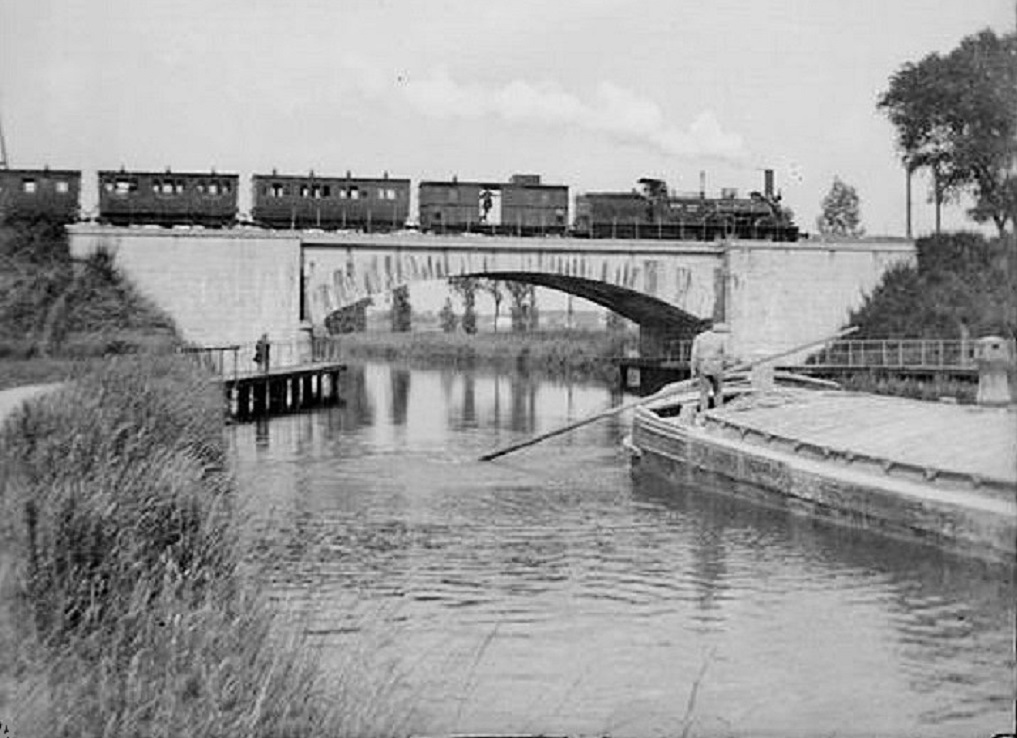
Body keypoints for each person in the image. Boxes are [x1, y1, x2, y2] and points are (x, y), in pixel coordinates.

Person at [690, 322, 731, 412]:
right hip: (717, 367)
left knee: (704, 393)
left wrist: (693, 371)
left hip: (704, 366)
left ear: (703, 328)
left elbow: (694, 355)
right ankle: (719, 412)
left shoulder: (699, 338)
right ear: (712, 328)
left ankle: (703, 414)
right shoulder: (719, 339)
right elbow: (725, 354)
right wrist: (724, 366)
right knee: (718, 392)